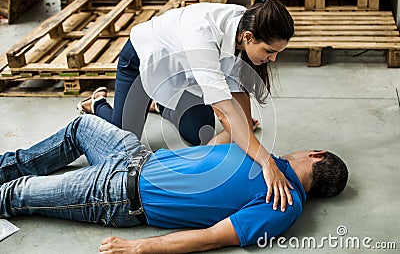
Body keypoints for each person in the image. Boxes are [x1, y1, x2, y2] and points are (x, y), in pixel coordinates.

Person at [0, 115, 348, 253]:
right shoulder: (266, 159)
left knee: (16, 195)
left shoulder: (283, 204)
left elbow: (213, 237)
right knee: (81, 127)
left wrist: (139, 248)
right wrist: (234, 129)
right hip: (137, 155)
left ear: (315, 155)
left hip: (117, 195)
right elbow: (211, 157)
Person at [77, 0, 296, 211]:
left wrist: (243, 126)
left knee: (200, 132)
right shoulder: (202, 35)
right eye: (270, 51)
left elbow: (238, 102)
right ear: (248, 37)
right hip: (141, 65)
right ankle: (98, 103)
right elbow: (226, 114)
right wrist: (267, 162)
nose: (273, 59)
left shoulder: (247, 24)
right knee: (123, 143)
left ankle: (158, 104)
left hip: (184, 76)